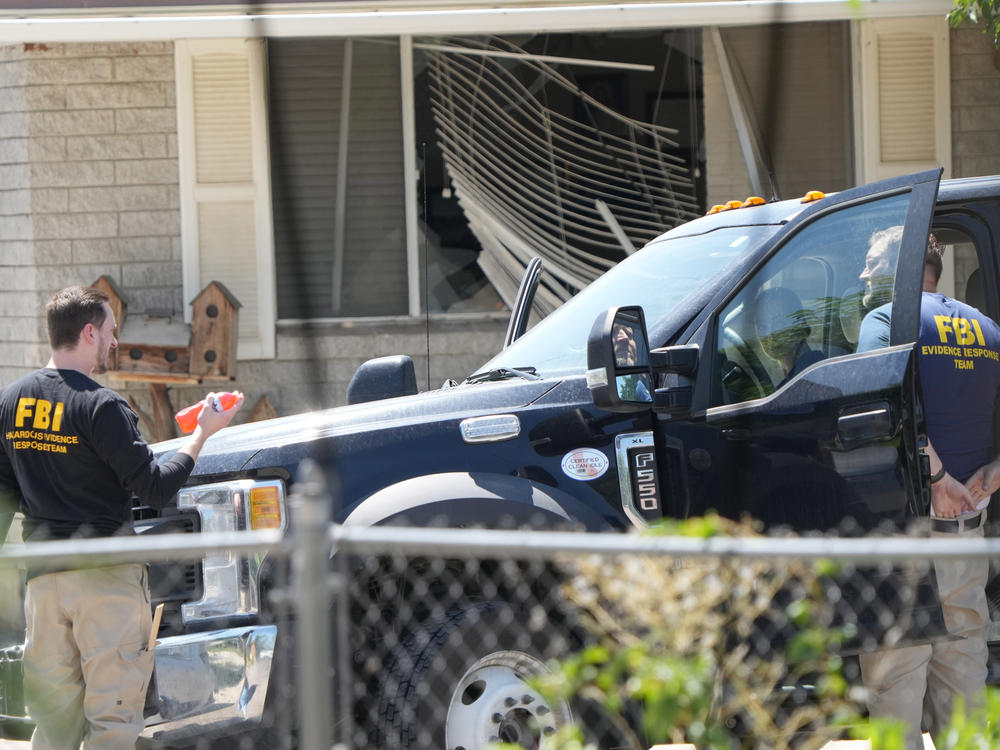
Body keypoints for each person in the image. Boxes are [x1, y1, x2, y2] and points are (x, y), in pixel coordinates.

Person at [0, 285, 245, 750]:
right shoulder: (101, 406)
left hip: (43, 585)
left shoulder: (10, 403)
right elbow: (153, 486)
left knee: (53, 726)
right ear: (89, 332)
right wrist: (200, 435)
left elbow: (6, 494)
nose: (114, 342)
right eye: (111, 332)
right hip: (105, 582)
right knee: (112, 723)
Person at [856, 244, 1000, 750]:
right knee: (963, 672)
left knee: (897, 678)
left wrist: (936, 477)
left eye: (873, 264)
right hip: (967, 529)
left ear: (902, 265)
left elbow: (881, 402)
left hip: (908, 530)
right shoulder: (986, 328)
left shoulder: (885, 320)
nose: (864, 273)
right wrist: (991, 475)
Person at [857, 228, 939, 351]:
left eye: (872, 264)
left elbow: (868, 370)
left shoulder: (882, 320)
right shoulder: (972, 320)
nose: (863, 276)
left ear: (902, 266)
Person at [752, 286, 823, 388]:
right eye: (762, 327)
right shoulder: (794, 379)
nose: (770, 334)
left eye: (779, 322)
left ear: (800, 324)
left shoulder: (813, 377)